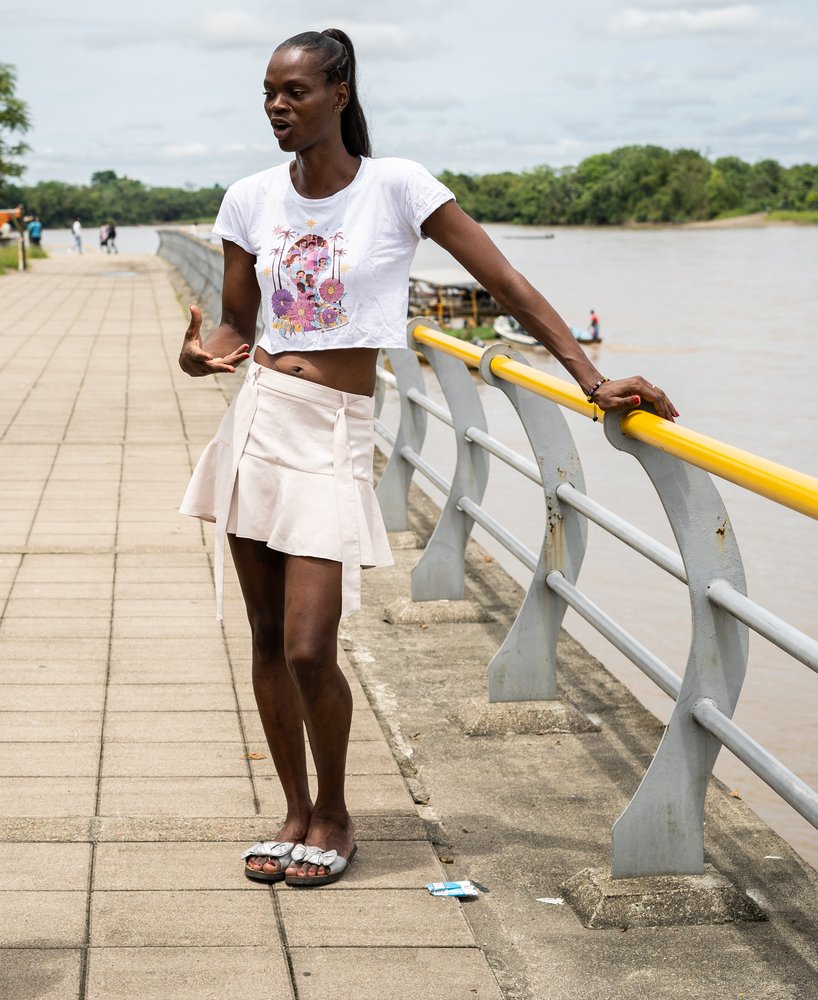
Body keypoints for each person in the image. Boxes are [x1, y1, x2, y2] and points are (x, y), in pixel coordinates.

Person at [178, 28, 677, 889]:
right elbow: (235, 324)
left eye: (295, 91)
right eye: (268, 92)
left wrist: (590, 377)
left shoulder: (399, 187)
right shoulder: (248, 200)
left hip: (335, 429)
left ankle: (337, 814)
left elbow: (507, 283)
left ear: (341, 92)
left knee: (307, 645)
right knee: (263, 638)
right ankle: (294, 811)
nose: (276, 107)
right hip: (259, 418)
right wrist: (199, 354)